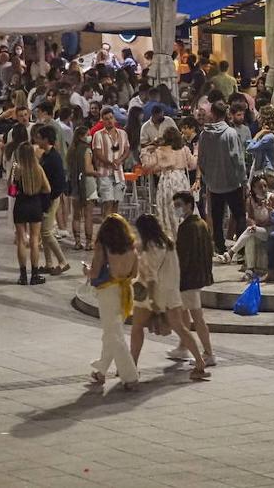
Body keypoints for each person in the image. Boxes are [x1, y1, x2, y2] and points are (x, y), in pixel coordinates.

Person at [127, 214, 210, 382]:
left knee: (136, 328)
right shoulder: (169, 242)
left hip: (154, 294)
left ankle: (131, 367)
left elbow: (150, 276)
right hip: (172, 292)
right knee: (181, 328)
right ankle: (200, 364)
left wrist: (151, 300)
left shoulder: (150, 247)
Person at [85, 214, 140, 390]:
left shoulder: (103, 246)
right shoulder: (132, 247)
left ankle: (130, 376)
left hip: (108, 292)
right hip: (125, 290)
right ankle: (101, 370)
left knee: (114, 335)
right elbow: (134, 274)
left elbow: (94, 273)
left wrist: (86, 270)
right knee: (111, 332)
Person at [170, 191, 216, 367]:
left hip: (188, 278)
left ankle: (209, 353)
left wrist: (178, 276)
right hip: (197, 276)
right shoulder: (201, 223)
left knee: (197, 317)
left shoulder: (187, 227)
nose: (177, 209)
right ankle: (183, 347)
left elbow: (183, 256)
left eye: (179, 205)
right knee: (185, 313)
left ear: (189, 205)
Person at [197, 101, 247, 256]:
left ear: (212, 113)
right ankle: (241, 247)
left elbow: (201, 159)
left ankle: (219, 245)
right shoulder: (231, 133)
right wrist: (243, 180)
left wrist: (207, 178)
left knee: (217, 217)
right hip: (232, 182)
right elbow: (237, 159)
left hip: (214, 183)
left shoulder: (204, 134)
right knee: (239, 215)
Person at [141, 127, 197, 242]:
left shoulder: (160, 150)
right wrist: (196, 152)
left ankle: (172, 235)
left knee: (169, 208)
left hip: (167, 181)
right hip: (181, 180)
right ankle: (185, 234)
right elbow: (193, 165)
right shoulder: (184, 149)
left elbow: (147, 166)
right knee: (182, 207)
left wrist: (146, 150)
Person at [10, 135, 50, 285]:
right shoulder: (38, 168)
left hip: (20, 204)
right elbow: (47, 188)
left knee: (21, 240)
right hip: (35, 204)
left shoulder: (17, 169)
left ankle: (22, 275)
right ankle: (34, 274)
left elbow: (11, 192)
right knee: (34, 240)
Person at [34, 124, 70, 276]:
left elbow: (58, 183)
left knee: (47, 232)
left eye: (39, 137)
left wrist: (49, 200)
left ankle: (63, 261)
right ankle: (49, 263)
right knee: (43, 232)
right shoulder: (46, 156)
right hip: (45, 198)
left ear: (46, 139)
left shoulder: (54, 158)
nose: (36, 139)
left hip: (51, 199)